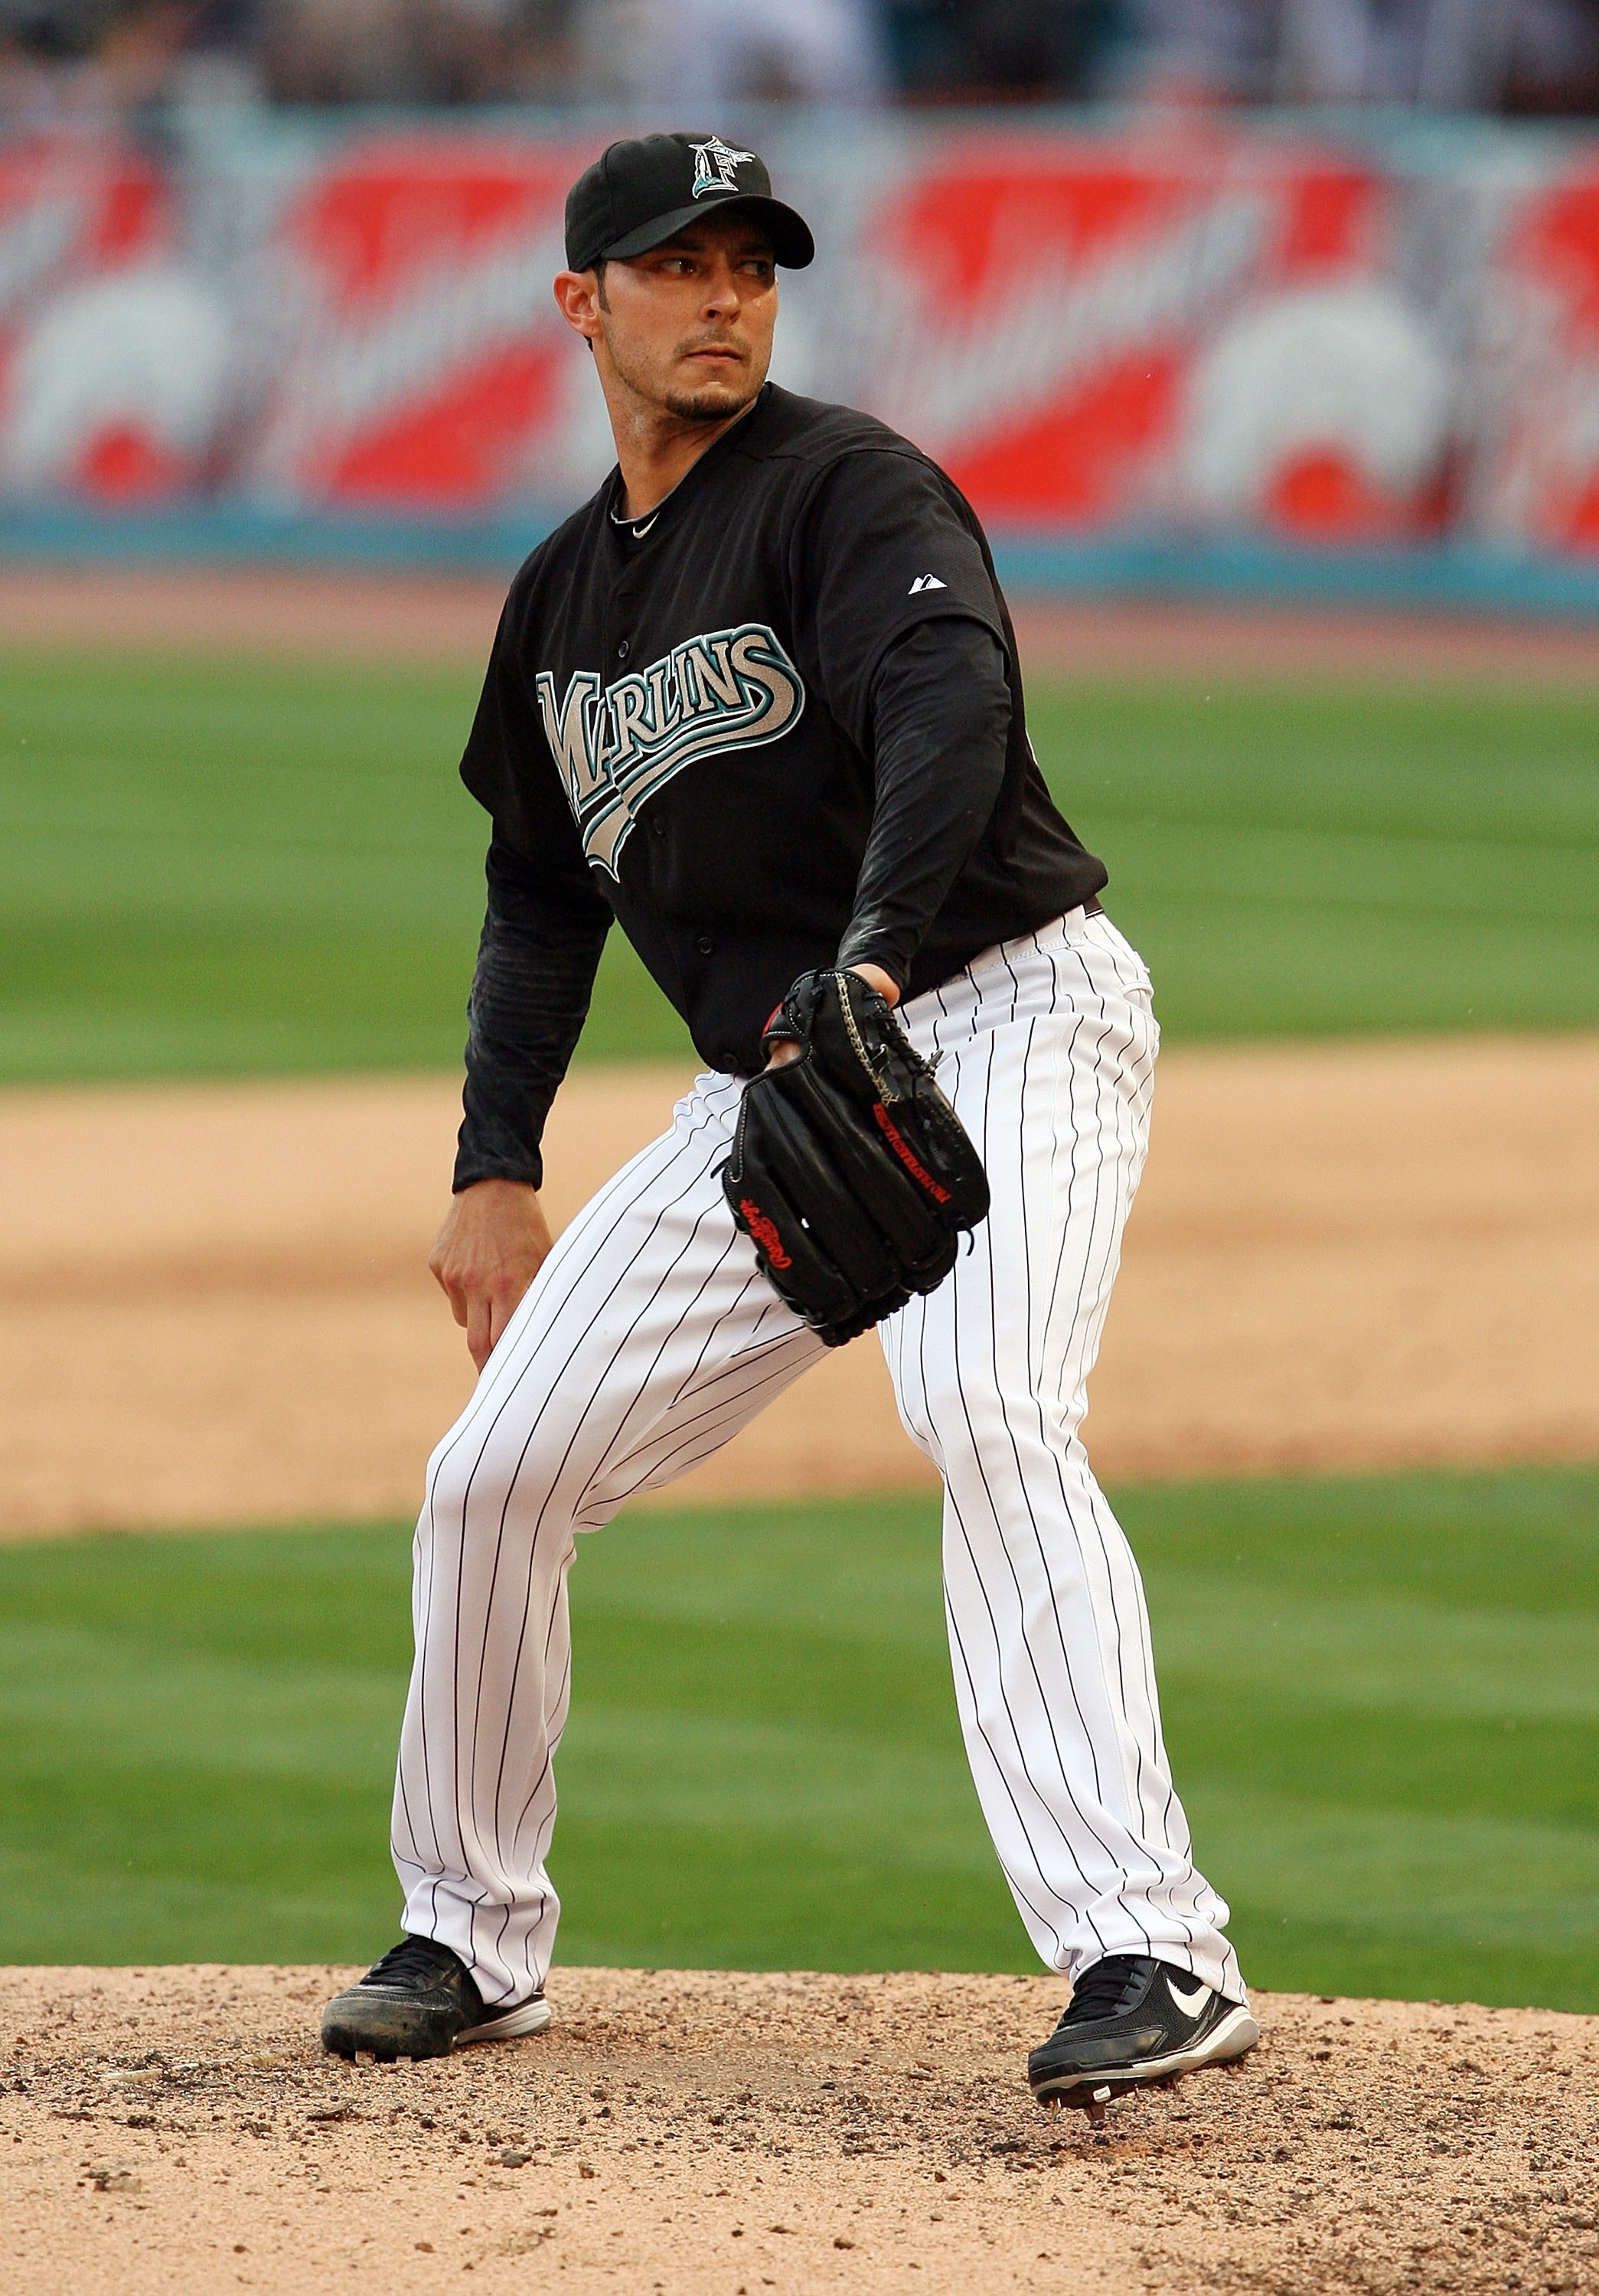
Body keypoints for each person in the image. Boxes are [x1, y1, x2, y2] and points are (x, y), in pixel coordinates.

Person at [320, 129, 1258, 2110]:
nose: (727, 293)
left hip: (996, 1001)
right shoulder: (561, 600)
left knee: (984, 1406)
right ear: (582, 304)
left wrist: (879, 957)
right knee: (492, 1477)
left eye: (753, 261)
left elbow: (949, 701)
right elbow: (535, 887)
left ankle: (1147, 1950)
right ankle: (470, 1935)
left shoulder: (848, 488)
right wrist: (497, 1164)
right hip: (774, 1083)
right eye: (679, 263)